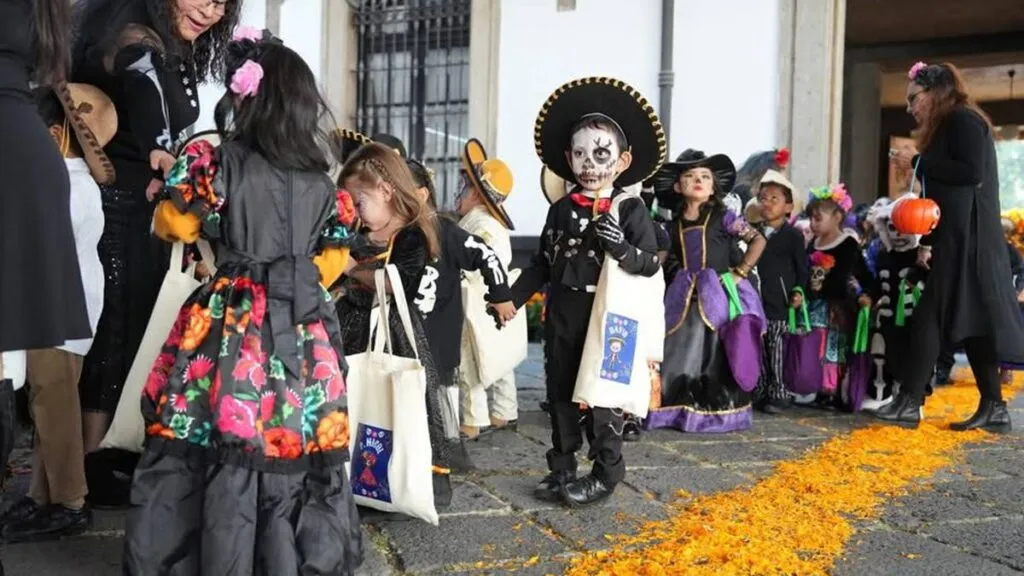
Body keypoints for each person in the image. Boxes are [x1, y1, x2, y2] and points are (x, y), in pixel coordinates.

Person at [122, 33, 363, 573]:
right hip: (303, 323)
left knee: (220, 425)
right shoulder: (323, 184)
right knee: (294, 430)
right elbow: (330, 263)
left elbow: (175, 225)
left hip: (233, 320)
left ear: (246, 99)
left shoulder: (217, 162)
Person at [72, 0, 241, 457]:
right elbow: (142, 83)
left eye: (222, 4)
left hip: (145, 210)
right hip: (111, 206)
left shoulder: (174, 44)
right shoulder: (133, 33)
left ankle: (110, 454)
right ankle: (91, 460)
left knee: (136, 330)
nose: (210, 11)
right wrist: (160, 148)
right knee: (111, 333)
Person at [510, 77, 663, 507]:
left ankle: (605, 472)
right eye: (579, 154)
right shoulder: (560, 209)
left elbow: (650, 263)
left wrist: (621, 248)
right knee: (560, 391)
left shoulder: (630, 209)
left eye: (600, 153)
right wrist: (512, 297)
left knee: (603, 393)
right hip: (565, 312)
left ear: (623, 160)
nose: (589, 164)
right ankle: (561, 466)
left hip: (610, 316)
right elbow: (543, 262)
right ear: (567, 159)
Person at [874, 62, 1024, 431]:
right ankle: (994, 407)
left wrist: (918, 161)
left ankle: (910, 402)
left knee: (931, 315)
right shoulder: (953, 122)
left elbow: (970, 173)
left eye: (914, 98)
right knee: (972, 322)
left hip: (970, 240)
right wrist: (928, 241)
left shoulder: (961, 119)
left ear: (934, 92)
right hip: (960, 238)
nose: (910, 107)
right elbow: (944, 195)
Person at [1, 84, 114, 543]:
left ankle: (70, 502)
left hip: (58, 311)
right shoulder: (69, 180)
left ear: (53, 134)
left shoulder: (66, 184)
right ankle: (43, 495)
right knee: (48, 404)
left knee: (54, 406)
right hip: (61, 308)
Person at [334, 142, 455, 510]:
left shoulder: (412, 234)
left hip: (394, 333)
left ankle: (404, 483)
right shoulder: (356, 232)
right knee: (354, 398)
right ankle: (352, 479)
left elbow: (400, 282)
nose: (355, 211)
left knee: (398, 403)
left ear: (386, 191)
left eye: (359, 202)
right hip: (350, 328)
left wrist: (352, 270)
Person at [646, 150, 766, 432]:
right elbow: (661, 260)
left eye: (704, 176)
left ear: (713, 187)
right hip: (683, 297)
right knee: (681, 350)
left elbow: (757, 240)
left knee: (715, 352)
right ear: (678, 186)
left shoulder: (724, 217)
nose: (698, 180)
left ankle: (716, 411)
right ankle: (680, 409)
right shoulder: (671, 227)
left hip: (717, 296)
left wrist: (740, 272)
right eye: (690, 176)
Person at [456, 139, 521, 440]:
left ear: (475, 193)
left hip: (476, 300)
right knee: (501, 358)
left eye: (465, 186)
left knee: (471, 361)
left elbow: (475, 264)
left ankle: (474, 419)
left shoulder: (480, 224)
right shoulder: (491, 223)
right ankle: (505, 411)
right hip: (497, 297)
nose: (460, 192)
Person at [801, 184, 874, 406]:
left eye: (818, 218)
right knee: (815, 346)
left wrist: (867, 294)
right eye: (810, 219)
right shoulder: (813, 244)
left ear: (838, 217)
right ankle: (816, 387)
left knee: (835, 348)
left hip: (837, 308)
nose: (813, 223)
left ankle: (832, 389)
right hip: (814, 307)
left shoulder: (847, 244)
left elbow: (861, 274)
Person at [747, 170, 807, 414]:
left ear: (788, 206)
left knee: (777, 348)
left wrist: (798, 291)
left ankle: (780, 393)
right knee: (759, 347)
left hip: (780, 302)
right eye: (763, 198)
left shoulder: (793, 236)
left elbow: (802, 268)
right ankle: (760, 389)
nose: (767, 203)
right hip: (756, 300)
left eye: (774, 198)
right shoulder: (752, 233)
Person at [862, 195, 928, 410]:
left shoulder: (920, 256)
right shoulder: (884, 256)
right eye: (892, 228)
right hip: (887, 317)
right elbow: (878, 283)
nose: (898, 234)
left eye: (903, 228)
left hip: (913, 319)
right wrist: (869, 296)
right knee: (880, 352)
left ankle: (913, 400)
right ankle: (881, 394)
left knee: (912, 358)